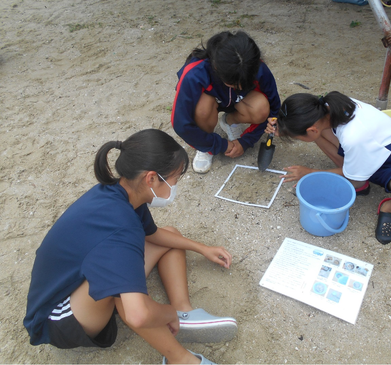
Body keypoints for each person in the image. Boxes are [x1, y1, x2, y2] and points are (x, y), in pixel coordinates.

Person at [23, 129, 236, 364]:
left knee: (170, 235)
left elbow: (154, 235)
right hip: (58, 318)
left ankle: (184, 312)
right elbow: (138, 315)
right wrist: (166, 313)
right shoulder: (123, 229)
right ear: (152, 178)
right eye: (175, 178)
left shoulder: (123, 194)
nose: (175, 185)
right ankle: (181, 359)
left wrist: (202, 248)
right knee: (126, 297)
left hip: (76, 279)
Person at [267, 92, 391, 244]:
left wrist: (310, 173)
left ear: (311, 129)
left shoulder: (353, 137)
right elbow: (312, 129)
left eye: (298, 136)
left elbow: (353, 173)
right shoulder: (327, 107)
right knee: (321, 135)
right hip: (364, 152)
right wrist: (285, 127)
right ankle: (362, 184)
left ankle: (389, 208)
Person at [171, 30, 281, 173]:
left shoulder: (257, 67)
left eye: (244, 82)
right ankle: (205, 147)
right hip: (210, 103)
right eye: (234, 84)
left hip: (239, 102)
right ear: (216, 68)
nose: (240, 87)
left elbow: (274, 108)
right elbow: (181, 124)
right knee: (202, 108)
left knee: (261, 108)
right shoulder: (194, 73)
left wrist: (245, 141)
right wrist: (219, 145)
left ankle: (230, 122)